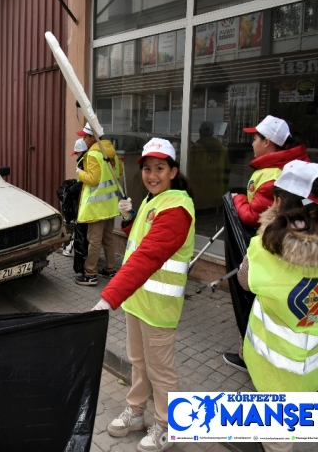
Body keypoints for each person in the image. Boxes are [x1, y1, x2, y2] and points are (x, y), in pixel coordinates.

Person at [92, 138, 195, 452]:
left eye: (160, 168)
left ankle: (166, 426)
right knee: (138, 362)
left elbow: (147, 256)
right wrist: (129, 219)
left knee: (161, 370)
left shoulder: (178, 208)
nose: (152, 175)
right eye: (148, 169)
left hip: (160, 308)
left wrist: (109, 297)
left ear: (173, 171)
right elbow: (140, 237)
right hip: (137, 303)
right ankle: (136, 412)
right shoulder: (154, 200)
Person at [238, 160, 318, 452]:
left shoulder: (265, 246)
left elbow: (244, 282)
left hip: (274, 366)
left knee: (277, 439)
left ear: (278, 201)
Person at [223, 115, 310, 372]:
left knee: (254, 300)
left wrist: (236, 199)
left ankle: (250, 357)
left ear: (268, 142)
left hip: (270, 248)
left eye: (255, 138)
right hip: (288, 248)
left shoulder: (271, 174)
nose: (252, 143)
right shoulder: (291, 166)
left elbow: (252, 215)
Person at [74, 122, 122, 286]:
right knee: (108, 239)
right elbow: (119, 172)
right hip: (110, 205)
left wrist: (80, 174)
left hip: (97, 207)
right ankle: (110, 269)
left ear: (93, 137)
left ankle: (90, 274)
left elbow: (93, 180)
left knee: (94, 240)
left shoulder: (93, 154)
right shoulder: (111, 152)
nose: (83, 139)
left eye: (85, 137)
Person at [190, 120, 230, 210]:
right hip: (217, 200)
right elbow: (227, 175)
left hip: (199, 201)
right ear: (212, 133)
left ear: (200, 132)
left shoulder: (194, 150)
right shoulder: (224, 150)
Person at [62, 138, 88, 266]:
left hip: (87, 201)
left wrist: (71, 189)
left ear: (80, 151)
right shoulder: (87, 159)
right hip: (100, 205)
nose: (76, 156)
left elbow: (83, 182)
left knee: (83, 229)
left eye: (77, 153)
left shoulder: (84, 161)